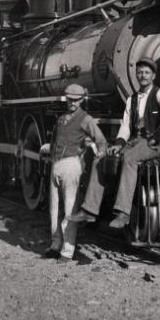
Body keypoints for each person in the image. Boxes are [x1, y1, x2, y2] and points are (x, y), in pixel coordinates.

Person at [68, 58, 160, 229]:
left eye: (147, 73)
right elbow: (126, 126)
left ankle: (123, 213)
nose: (143, 76)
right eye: (140, 72)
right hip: (135, 141)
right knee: (100, 157)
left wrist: (157, 136)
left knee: (129, 159)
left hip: (155, 143)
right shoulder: (132, 99)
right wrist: (118, 144)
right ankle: (89, 210)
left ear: (153, 76)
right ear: (136, 75)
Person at [40, 84, 107, 263]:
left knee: (70, 209)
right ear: (66, 99)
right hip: (56, 165)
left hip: (71, 165)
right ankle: (55, 245)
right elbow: (54, 142)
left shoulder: (86, 119)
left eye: (77, 100)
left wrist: (100, 151)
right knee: (54, 209)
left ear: (82, 99)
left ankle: (67, 251)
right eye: (70, 99)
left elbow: (100, 139)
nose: (73, 103)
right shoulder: (60, 119)